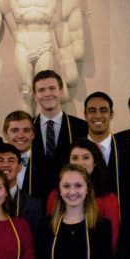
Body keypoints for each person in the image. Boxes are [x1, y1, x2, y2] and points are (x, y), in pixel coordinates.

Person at [45, 139, 120, 250]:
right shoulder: (55, 196)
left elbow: (112, 241)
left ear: (95, 162)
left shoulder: (108, 198)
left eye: (86, 157)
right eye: (75, 158)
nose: (80, 163)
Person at [84, 91, 130, 226]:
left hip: (123, 224)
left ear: (111, 115)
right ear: (85, 115)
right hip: (85, 224)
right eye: (92, 111)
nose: (98, 115)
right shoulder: (75, 151)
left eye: (103, 110)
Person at [30, 70, 88, 201]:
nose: (47, 94)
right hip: (35, 200)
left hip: (72, 198)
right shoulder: (27, 128)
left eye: (52, 88)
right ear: (35, 95)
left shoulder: (81, 127)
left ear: (61, 91)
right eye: (41, 90)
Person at [0, 144, 43, 237]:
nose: (5, 165)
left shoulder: (33, 205)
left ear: (19, 167)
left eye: (11, 160)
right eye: (0, 160)